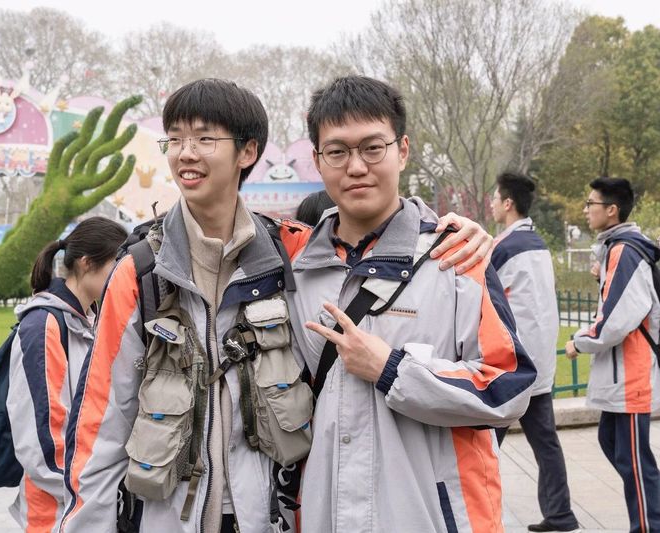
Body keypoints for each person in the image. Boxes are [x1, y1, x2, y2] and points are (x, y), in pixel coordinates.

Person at [60, 78, 493, 533]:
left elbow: (362, 244)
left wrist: (452, 231)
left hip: (266, 517)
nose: (186, 153)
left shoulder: (290, 253)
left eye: (205, 138)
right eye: (176, 139)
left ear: (248, 151)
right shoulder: (141, 271)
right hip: (168, 517)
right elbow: (101, 422)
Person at [292, 75, 537, 533]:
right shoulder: (298, 267)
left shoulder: (457, 258)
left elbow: (511, 388)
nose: (356, 167)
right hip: (328, 513)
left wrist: (393, 370)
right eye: (337, 151)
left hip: (431, 515)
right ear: (317, 160)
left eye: (373, 148)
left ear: (402, 150)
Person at [6, 216, 127, 531]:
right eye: (116, 265)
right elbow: (39, 438)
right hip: (56, 511)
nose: (123, 276)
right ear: (87, 263)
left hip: (89, 500)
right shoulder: (43, 326)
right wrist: (87, 495)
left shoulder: (91, 319)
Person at [565, 177, 660, 533]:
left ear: (612, 210)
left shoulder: (624, 251)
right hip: (622, 372)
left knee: (634, 461)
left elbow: (618, 319)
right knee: (614, 445)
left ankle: (649, 525)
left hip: (632, 373)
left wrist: (580, 341)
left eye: (591, 203)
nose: (586, 210)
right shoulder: (616, 249)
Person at [490, 172, 579, 533]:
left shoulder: (504, 248)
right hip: (538, 365)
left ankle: (477, 516)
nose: (492, 204)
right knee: (546, 444)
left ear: (508, 203)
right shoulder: (538, 244)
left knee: (483, 444)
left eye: (495, 198)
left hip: (511, 367)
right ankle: (560, 514)